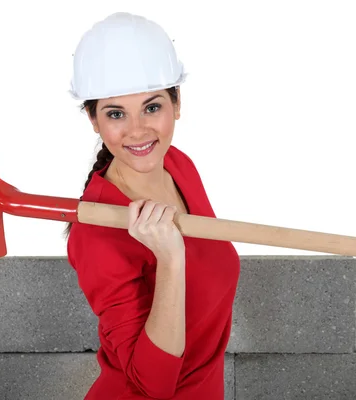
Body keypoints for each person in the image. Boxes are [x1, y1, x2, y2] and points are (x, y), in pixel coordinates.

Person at [65, 12, 241, 399]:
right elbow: (152, 386)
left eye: (152, 107)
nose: (138, 130)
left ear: (177, 103)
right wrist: (170, 260)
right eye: (115, 113)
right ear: (93, 120)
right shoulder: (95, 235)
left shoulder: (178, 165)